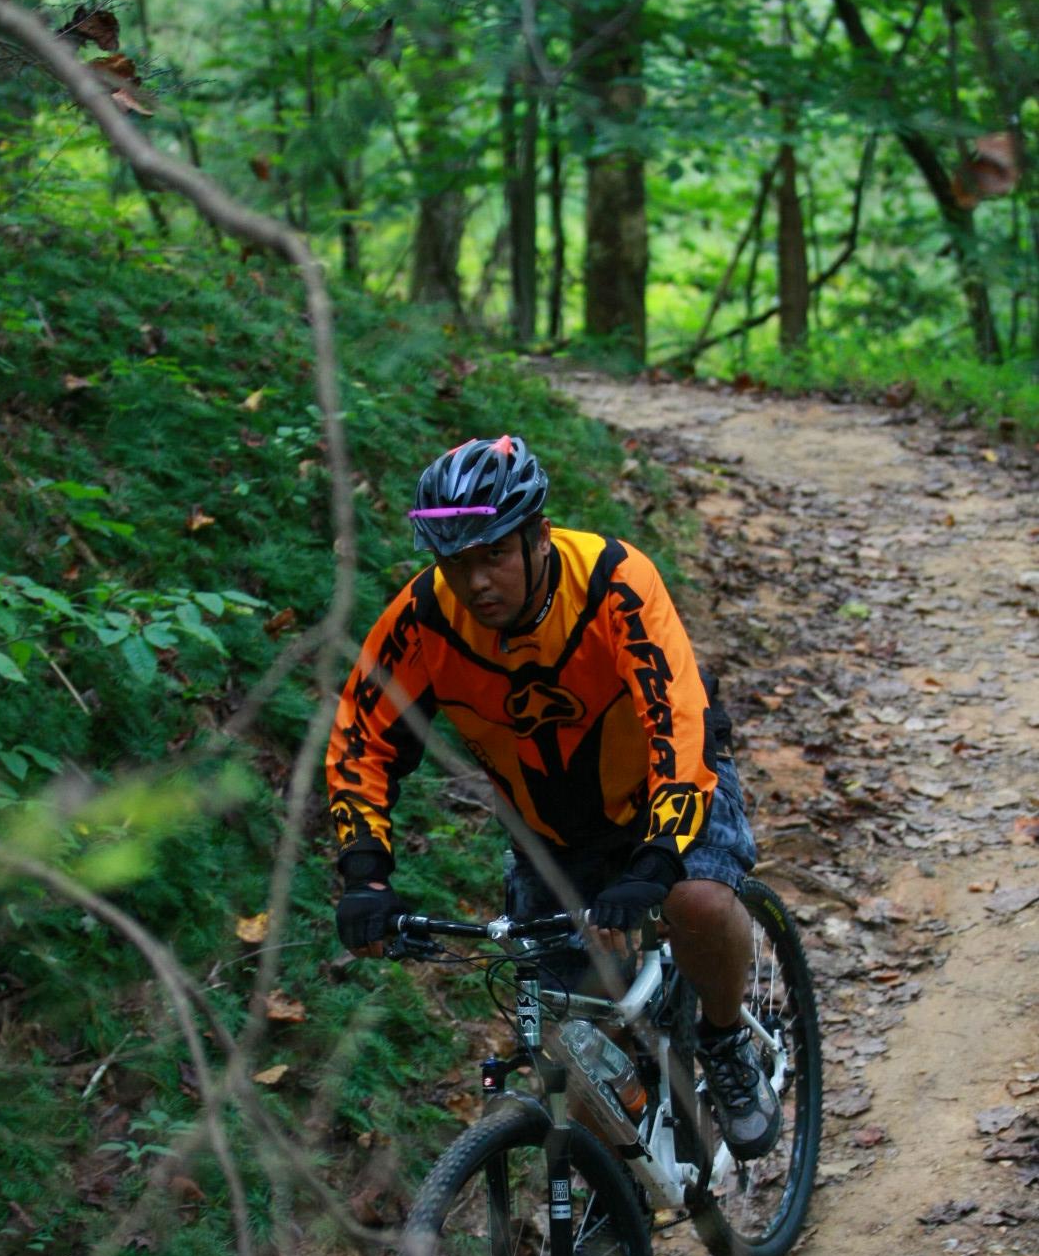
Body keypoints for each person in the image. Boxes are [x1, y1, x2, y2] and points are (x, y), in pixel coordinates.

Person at [324, 434, 780, 1161]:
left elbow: (677, 724)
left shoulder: (612, 582)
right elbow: (360, 742)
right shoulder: (424, 621)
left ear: (538, 536)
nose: (475, 583)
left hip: (666, 790)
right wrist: (364, 874)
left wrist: (659, 858)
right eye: (456, 562)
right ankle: (610, 1224)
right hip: (552, 833)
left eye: (493, 555)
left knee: (696, 900)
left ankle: (723, 1042)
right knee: (573, 1045)